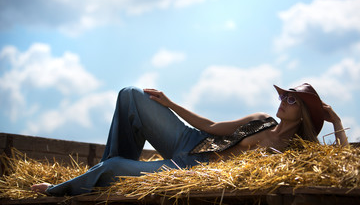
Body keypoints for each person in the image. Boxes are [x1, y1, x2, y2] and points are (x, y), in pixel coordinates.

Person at [31, 83, 348, 196]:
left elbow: (339, 167)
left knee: (115, 165)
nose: (282, 100)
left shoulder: (296, 152)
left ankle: (62, 190)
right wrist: (171, 104)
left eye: (291, 100)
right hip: (191, 141)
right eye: (283, 95)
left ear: (305, 112)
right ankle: (99, 178)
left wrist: (337, 122)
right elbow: (211, 126)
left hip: (191, 171)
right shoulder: (260, 120)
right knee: (131, 96)